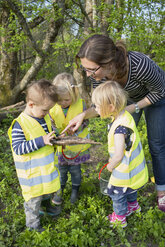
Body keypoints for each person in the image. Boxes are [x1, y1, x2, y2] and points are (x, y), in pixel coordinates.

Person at [62, 34, 165, 212]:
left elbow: (160, 90)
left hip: (156, 98)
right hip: (127, 102)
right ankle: (127, 185)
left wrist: (132, 109)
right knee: (121, 145)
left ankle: (162, 192)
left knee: (156, 145)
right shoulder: (99, 76)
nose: (87, 74)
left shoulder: (140, 65)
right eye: (85, 69)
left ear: (108, 62)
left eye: (91, 69)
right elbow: (100, 105)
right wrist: (82, 116)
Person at [92, 81, 148, 227]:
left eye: (97, 106)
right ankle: (133, 206)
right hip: (134, 167)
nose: (95, 109)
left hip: (124, 169)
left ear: (110, 107)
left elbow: (118, 155)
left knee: (117, 193)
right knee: (130, 188)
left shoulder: (119, 129)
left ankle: (119, 218)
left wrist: (111, 166)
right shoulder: (125, 116)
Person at [8, 79, 61, 232]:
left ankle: (47, 207)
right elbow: (18, 148)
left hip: (45, 170)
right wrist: (42, 141)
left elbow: (46, 131)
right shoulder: (20, 124)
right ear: (31, 104)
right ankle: (33, 225)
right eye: (45, 110)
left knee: (47, 192)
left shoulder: (42, 116)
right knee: (33, 201)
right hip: (32, 174)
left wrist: (55, 136)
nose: (47, 113)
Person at [49, 72, 90, 204]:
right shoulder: (52, 108)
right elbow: (51, 124)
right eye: (59, 100)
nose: (62, 103)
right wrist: (55, 133)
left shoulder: (81, 104)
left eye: (66, 100)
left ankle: (74, 191)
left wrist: (78, 129)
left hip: (77, 146)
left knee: (75, 170)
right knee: (61, 171)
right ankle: (59, 191)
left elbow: (86, 121)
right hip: (61, 147)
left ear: (74, 93)